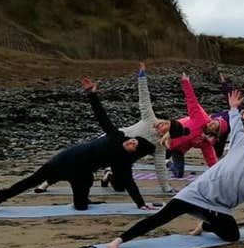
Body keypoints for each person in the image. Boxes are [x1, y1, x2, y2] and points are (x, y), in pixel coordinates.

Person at [104, 89, 244, 248]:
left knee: (233, 236)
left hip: (215, 208)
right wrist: (234, 108)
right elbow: (236, 127)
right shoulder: (243, 148)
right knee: (159, 218)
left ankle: (204, 224)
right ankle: (119, 240)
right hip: (194, 194)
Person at [0, 77, 159, 213]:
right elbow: (102, 117)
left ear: (133, 153)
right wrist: (92, 94)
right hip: (66, 159)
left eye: (133, 144)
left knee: (82, 201)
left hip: (81, 170)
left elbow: (129, 183)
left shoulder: (123, 162)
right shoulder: (116, 136)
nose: (131, 141)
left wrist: (141, 204)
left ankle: (82, 200)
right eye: (133, 139)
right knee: (29, 181)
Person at [35, 62, 173, 193]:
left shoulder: (159, 148)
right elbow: (144, 97)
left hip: (121, 160)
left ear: (166, 135)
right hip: (109, 142)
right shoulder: (150, 118)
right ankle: (46, 183)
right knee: (80, 164)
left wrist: (166, 188)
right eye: (164, 121)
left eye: (165, 126)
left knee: (120, 187)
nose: (161, 123)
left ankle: (108, 174)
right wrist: (142, 75)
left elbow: (160, 168)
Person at [165, 73, 221, 178]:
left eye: (214, 126)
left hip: (178, 150)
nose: (212, 122)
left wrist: (217, 173)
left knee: (179, 174)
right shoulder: (201, 117)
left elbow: (211, 158)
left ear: (213, 131)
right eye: (213, 121)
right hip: (168, 134)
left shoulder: (205, 143)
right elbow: (192, 101)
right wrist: (186, 82)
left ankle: (168, 164)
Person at [211, 73, 244, 158]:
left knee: (218, 152)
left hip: (223, 131)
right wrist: (223, 82)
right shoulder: (236, 109)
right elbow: (228, 95)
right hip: (215, 119)